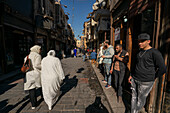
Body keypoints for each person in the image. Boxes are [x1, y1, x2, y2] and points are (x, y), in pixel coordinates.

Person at [128, 33, 166, 113]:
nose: (139, 43)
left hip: (146, 81)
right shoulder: (139, 52)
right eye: (139, 41)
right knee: (134, 97)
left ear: (149, 41)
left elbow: (162, 68)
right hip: (135, 79)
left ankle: (136, 111)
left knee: (141, 100)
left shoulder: (155, 52)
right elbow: (135, 65)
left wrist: (152, 77)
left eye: (142, 41)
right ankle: (133, 111)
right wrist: (131, 75)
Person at [24, 45, 42, 110]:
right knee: (40, 86)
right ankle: (43, 98)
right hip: (36, 74)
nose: (40, 51)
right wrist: (43, 66)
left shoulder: (27, 56)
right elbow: (37, 65)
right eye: (40, 49)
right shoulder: (37, 56)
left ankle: (33, 105)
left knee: (31, 89)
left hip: (29, 74)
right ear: (37, 49)